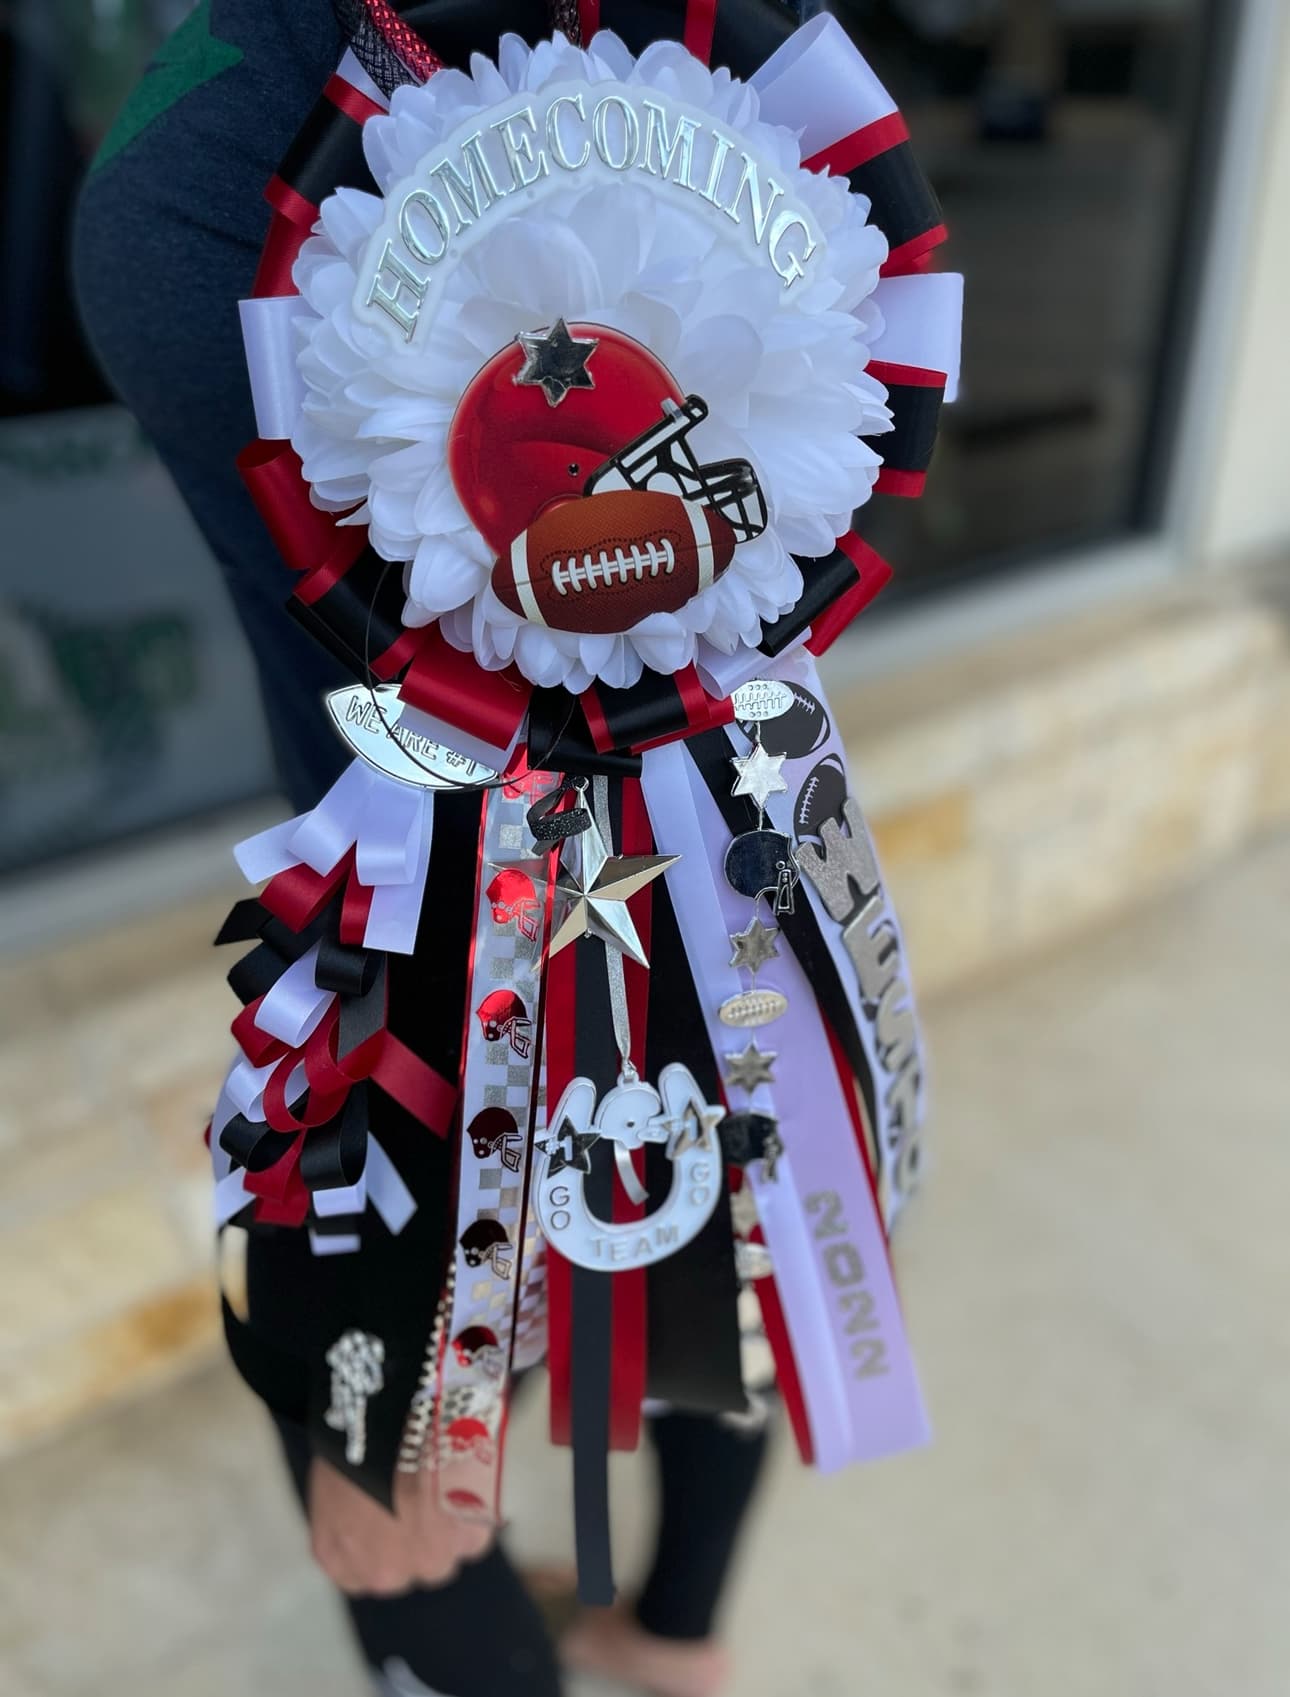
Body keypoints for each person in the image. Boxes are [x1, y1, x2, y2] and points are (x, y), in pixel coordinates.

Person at [73, 5, 777, 1694]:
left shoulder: (285, 170)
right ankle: (666, 1630)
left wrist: (379, 1386)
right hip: (683, 866)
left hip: (500, 937)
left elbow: (479, 800)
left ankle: (637, 1623)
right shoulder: (724, 72)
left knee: (399, 1482)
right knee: (712, 1137)